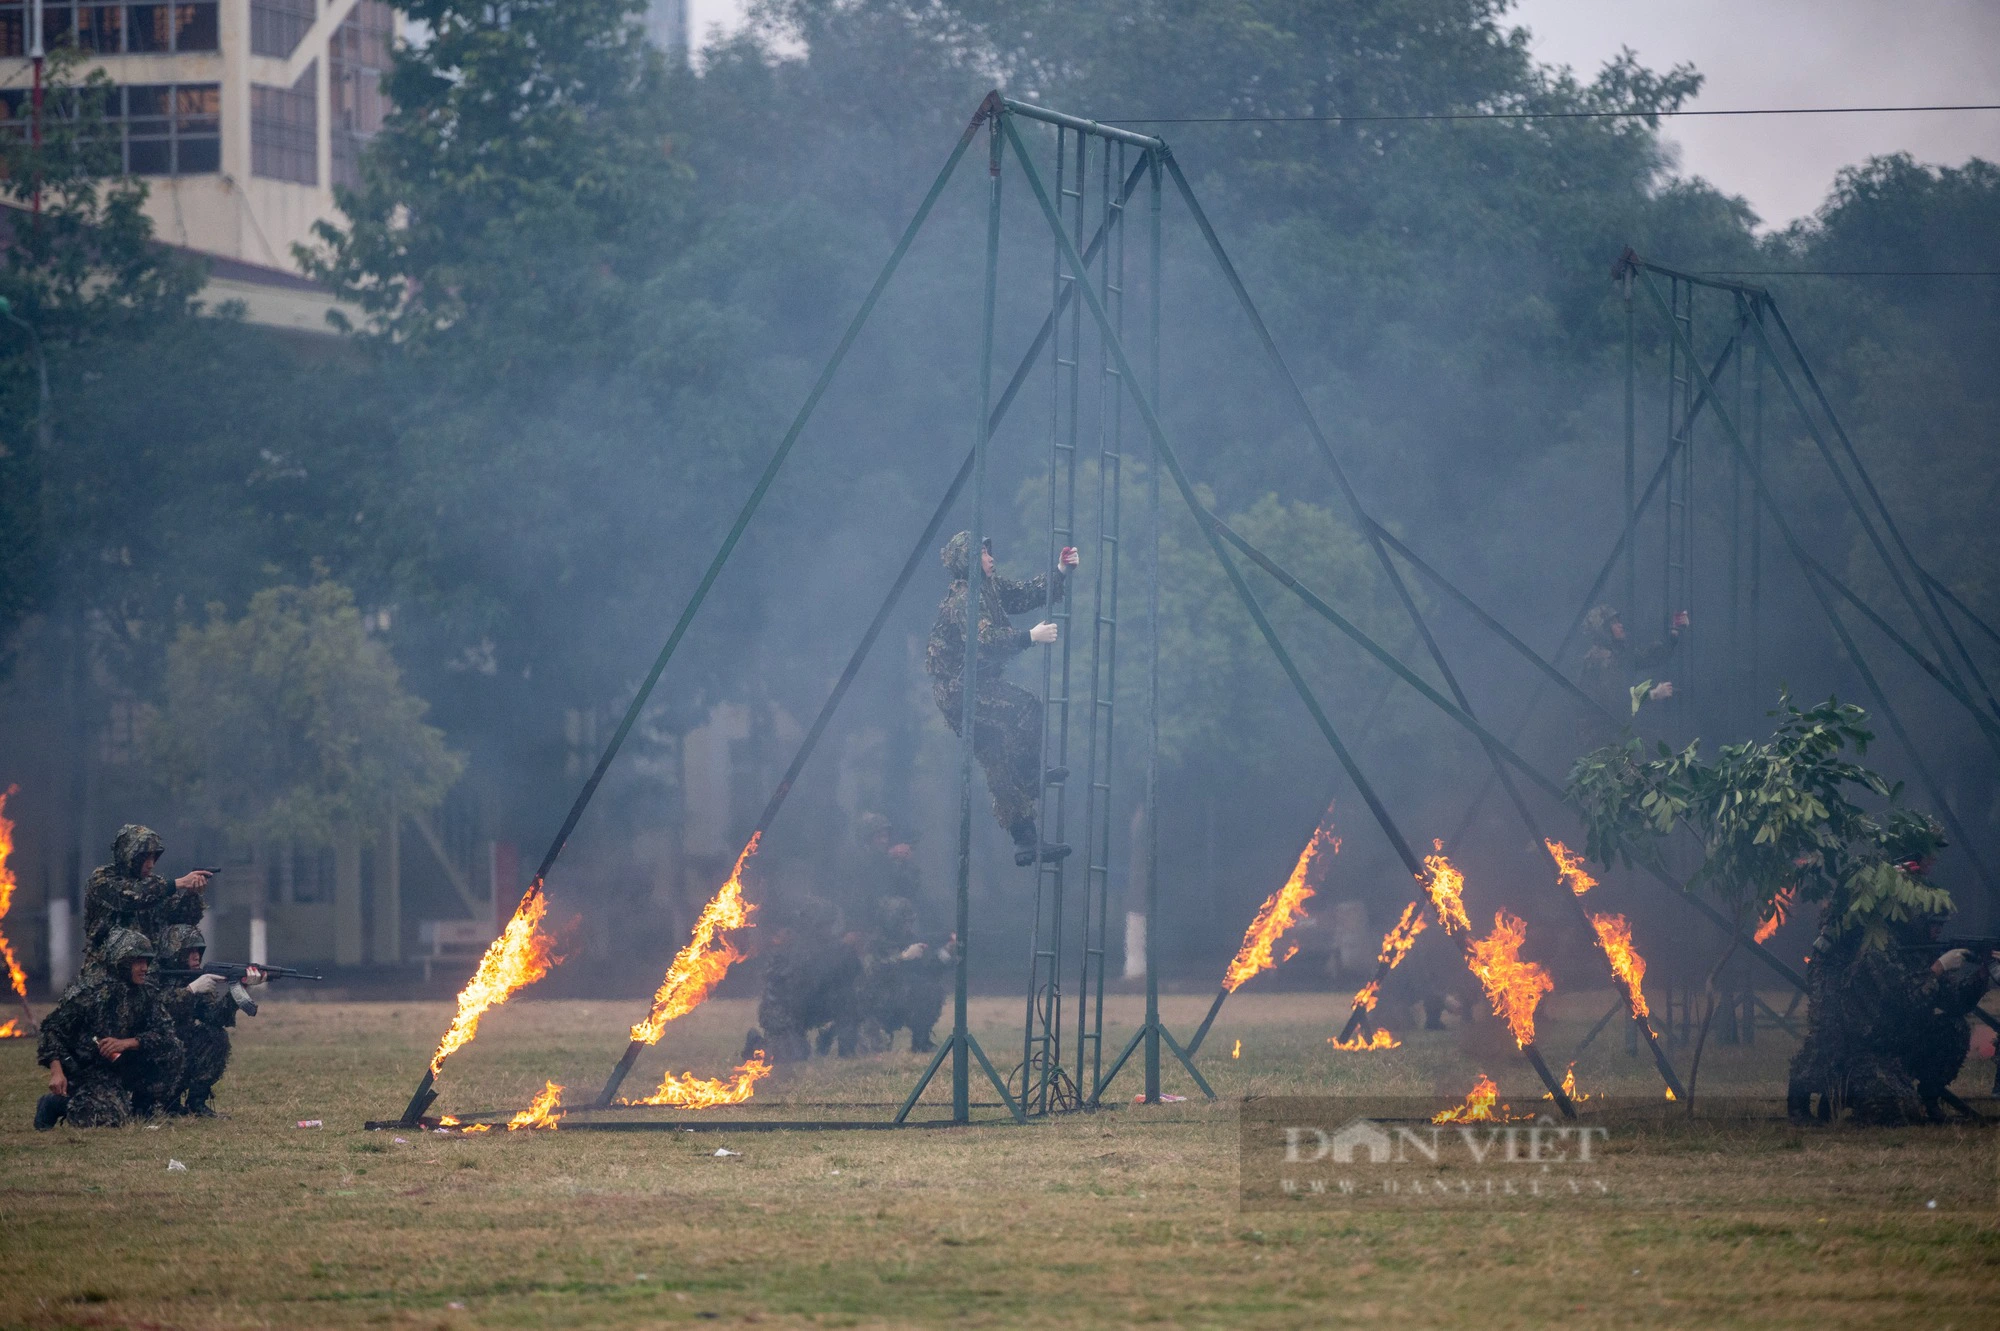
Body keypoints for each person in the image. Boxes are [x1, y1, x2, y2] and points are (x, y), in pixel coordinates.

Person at [926, 531, 1079, 867]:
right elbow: (984, 640)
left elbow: (1024, 594)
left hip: (969, 686)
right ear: (969, 561)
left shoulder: (988, 588)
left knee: (996, 756)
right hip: (959, 689)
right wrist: (1029, 637)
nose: (991, 557)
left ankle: (1025, 838)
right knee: (1026, 708)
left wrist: (1061, 571)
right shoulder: (963, 599)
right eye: (983, 553)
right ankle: (1028, 775)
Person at [34, 928, 184, 1129]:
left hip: (124, 1064)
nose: (145, 968)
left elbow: (165, 1033)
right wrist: (56, 1071)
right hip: (90, 1070)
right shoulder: (90, 993)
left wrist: (127, 1043)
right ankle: (56, 1104)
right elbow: (51, 1029)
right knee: (106, 1119)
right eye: (138, 961)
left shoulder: (145, 992)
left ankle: (142, 1106)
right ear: (122, 962)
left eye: (146, 961)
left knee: (173, 1049)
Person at [156, 924, 264, 1117]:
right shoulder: (155, 979)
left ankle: (196, 1103)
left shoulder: (200, 980)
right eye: (190, 951)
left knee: (214, 1036)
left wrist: (241, 989)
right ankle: (160, 1103)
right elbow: (159, 1012)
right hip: (156, 1048)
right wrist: (189, 991)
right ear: (175, 953)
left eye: (198, 950)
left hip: (181, 1046)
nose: (196, 956)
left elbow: (215, 1017)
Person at [740, 896, 864, 1064]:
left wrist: (850, 951)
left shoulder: (828, 944)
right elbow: (813, 965)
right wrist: (842, 947)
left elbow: (851, 973)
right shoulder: (793, 944)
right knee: (793, 1057)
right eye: (824, 925)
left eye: (829, 925)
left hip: (809, 1005)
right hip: (783, 1012)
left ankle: (846, 1051)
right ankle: (757, 1043)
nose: (828, 929)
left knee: (848, 1001)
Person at [79, 825, 211, 979]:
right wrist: (178, 883)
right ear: (129, 856)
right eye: (145, 858)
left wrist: (192, 895)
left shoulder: (155, 885)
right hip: (108, 974)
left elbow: (180, 921)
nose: (151, 864)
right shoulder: (102, 879)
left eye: (153, 858)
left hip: (145, 973)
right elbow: (131, 897)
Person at [1575, 606, 1688, 747]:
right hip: (1600, 738)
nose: (1620, 625)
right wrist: (1654, 694)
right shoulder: (1603, 660)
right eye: (1614, 622)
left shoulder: (1615, 654)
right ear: (1603, 630)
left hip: (1610, 732)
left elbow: (1649, 656)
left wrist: (1674, 633)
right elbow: (1617, 702)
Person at [860, 896, 952, 1054]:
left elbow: (927, 972)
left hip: (901, 999)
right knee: (875, 1050)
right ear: (892, 923)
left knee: (930, 989)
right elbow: (871, 971)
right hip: (874, 1003)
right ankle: (872, 1039)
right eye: (904, 923)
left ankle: (921, 1041)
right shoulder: (874, 943)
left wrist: (946, 952)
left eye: (910, 922)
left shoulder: (909, 940)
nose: (908, 927)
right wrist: (903, 958)